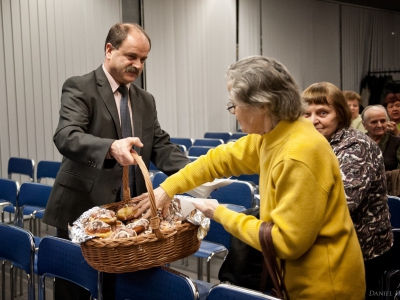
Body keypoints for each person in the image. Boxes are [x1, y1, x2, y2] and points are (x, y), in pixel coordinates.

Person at [134, 56, 365, 299]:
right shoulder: (274, 135)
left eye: (234, 104)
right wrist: (167, 188)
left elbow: (286, 242)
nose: (233, 112)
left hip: (326, 288)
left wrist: (218, 212)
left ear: (262, 104)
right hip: (297, 281)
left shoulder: (298, 153)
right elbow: (217, 160)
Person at [42, 23, 190, 300]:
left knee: (122, 289)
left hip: (129, 215)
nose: (138, 65)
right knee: (75, 289)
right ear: (109, 50)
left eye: (143, 60)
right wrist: (110, 147)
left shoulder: (146, 100)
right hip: (83, 210)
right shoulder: (80, 87)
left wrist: (197, 171)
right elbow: (66, 136)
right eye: (131, 57)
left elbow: (160, 145)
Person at [302, 82, 393, 299]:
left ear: (340, 115)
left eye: (322, 112)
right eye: (307, 113)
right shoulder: (315, 142)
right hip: (326, 244)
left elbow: (342, 203)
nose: (313, 120)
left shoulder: (356, 146)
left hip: (362, 249)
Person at [361, 105, 400, 171]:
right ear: (364, 125)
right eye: (374, 122)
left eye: (383, 121)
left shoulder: (397, 142)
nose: (379, 125)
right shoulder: (358, 142)